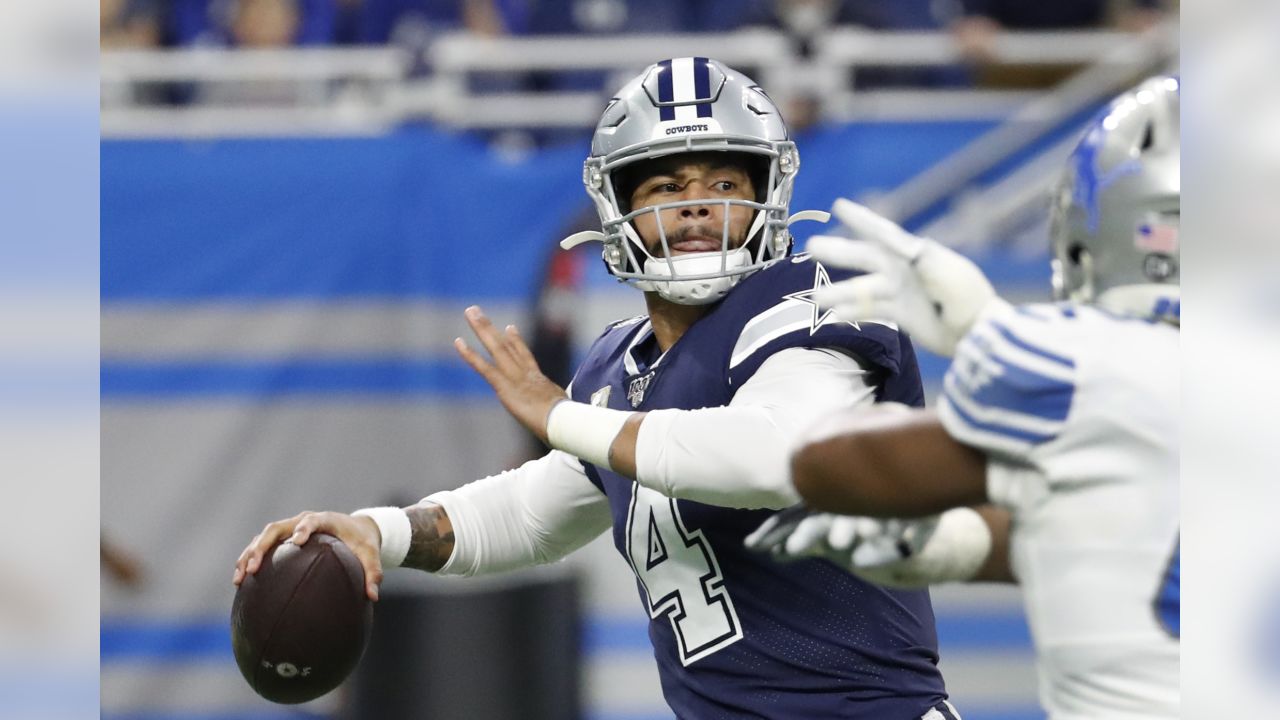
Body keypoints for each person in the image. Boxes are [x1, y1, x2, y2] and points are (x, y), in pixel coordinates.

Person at [235, 57, 965, 718]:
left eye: (724, 182)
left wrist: (560, 416)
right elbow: (529, 513)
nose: (697, 205)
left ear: (767, 194)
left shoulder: (811, 303)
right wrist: (377, 531)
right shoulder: (620, 367)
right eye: (667, 184)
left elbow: (774, 458)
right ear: (616, 206)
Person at [747, 76, 1180, 718]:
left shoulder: (1085, 359)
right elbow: (1134, 537)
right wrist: (965, 546)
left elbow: (829, 463)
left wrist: (983, 331)